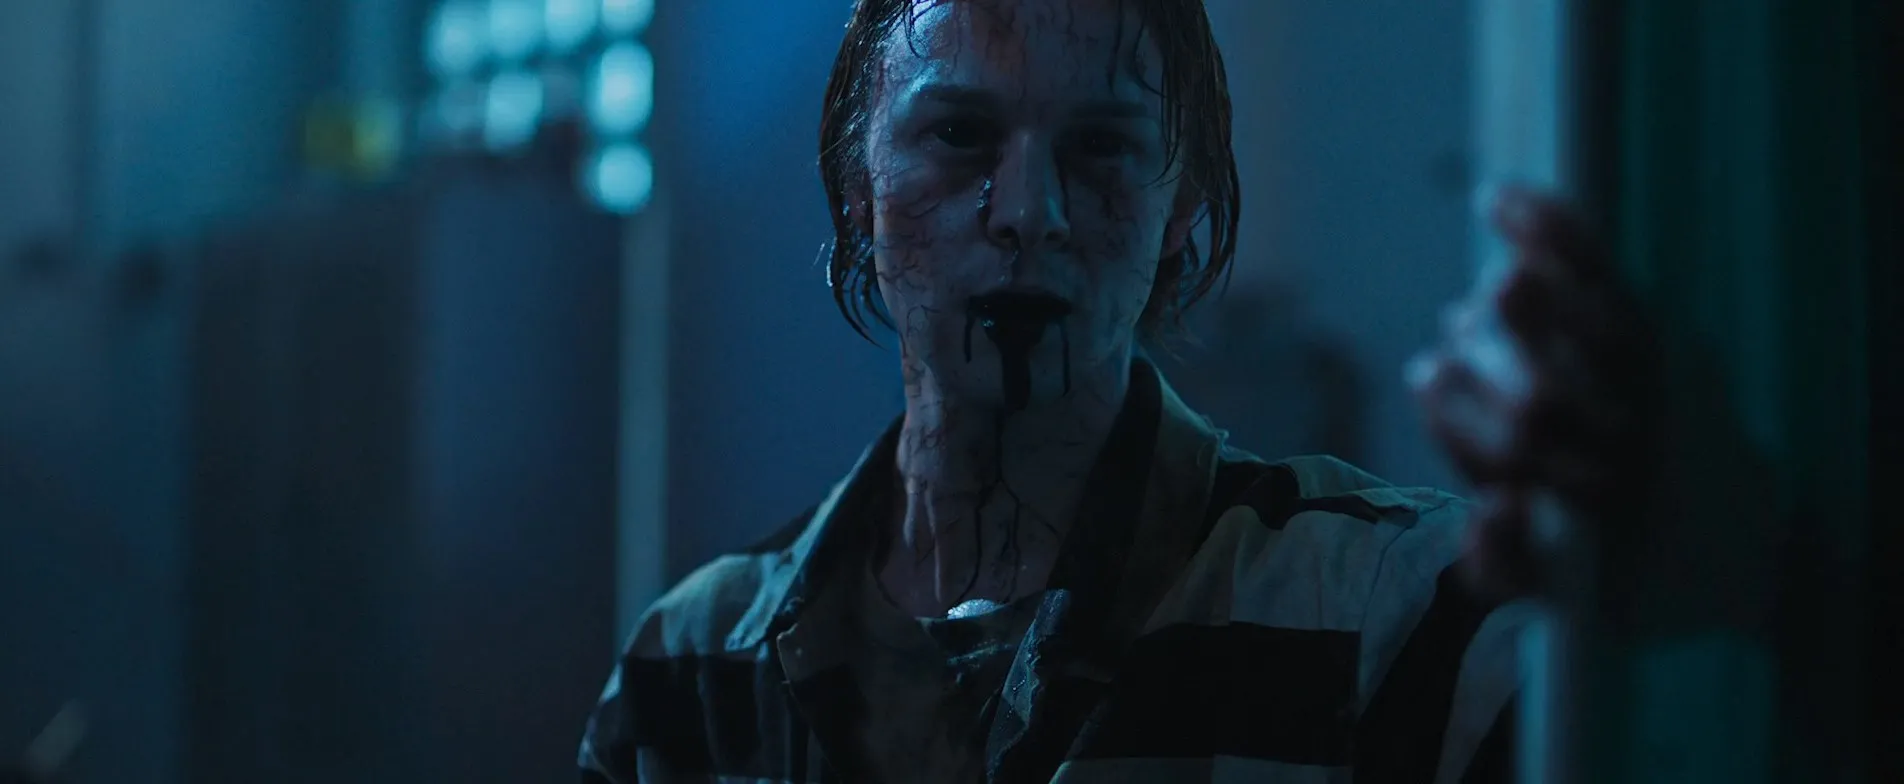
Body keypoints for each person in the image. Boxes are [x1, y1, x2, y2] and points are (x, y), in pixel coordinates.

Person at [579, 0, 1657, 782]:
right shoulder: (696, 666)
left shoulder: (1397, 614)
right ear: (861, 189)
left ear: (1180, 208)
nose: (1025, 211)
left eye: (1099, 147)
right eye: (958, 135)